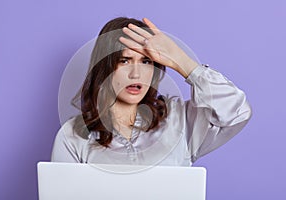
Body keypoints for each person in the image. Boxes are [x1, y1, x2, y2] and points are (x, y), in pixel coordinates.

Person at [51, 17, 252, 167]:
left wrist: (181, 61)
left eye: (146, 62)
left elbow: (237, 112)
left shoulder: (180, 121)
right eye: (124, 61)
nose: (136, 73)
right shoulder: (73, 136)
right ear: (105, 68)